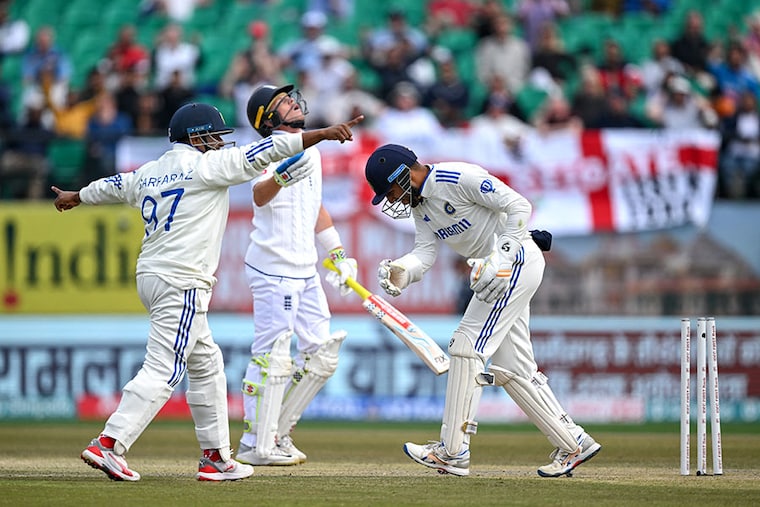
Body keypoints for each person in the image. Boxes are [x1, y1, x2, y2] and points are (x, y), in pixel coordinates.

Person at [52, 102, 362, 482]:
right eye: (214, 136)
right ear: (196, 137)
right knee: (164, 368)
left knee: (207, 366)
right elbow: (269, 150)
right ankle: (110, 443)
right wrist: (323, 135)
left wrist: (77, 195)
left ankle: (216, 456)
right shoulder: (206, 167)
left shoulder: (150, 171)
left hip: (152, 275)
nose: (219, 143)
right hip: (182, 280)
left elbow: (111, 186)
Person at [363, 143, 601, 477]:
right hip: (494, 275)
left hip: (515, 262)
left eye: (390, 192)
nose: (392, 200)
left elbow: (519, 205)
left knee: (466, 346)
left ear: (404, 174)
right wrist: (402, 271)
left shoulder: (458, 176)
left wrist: (500, 257)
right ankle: (574, 442)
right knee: (512, 367)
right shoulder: (421, 208)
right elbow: (425, 253)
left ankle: (452, 451)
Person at [234, 83, 357, 466]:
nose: (294, 102)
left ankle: (278, 433)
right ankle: (256, 443)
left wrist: (336, 252)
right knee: (272, 356)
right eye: (284, 102)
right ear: (268, 118)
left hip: (304, 269)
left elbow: (314, 206)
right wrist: (282, 177)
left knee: (321, 355)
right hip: (274, 268)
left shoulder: (311, 152)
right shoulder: (265, 150)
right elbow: (258, 194)